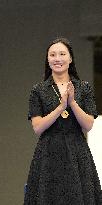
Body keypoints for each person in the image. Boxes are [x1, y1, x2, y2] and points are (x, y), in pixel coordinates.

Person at [24, 37, 102, 204]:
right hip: (48, 153)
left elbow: (88, 125)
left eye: (62, 54)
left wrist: (72, 103)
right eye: (52, 55)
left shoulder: (83, 87)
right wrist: (60, 107)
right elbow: (37, 127)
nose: (57, 58)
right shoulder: (38, 90)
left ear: (70, 58)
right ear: (48, 59)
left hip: (77, 152)